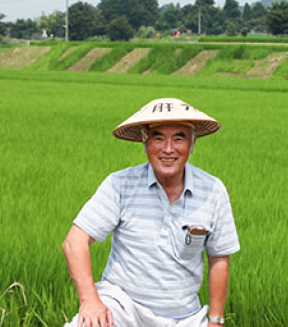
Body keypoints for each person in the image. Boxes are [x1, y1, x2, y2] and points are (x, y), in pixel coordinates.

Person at [62, 98, 240, 327]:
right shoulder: (121, 184)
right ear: (145, 143)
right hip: (122, 306)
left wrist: (215, 321)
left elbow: (219, 258)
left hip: (184, 316)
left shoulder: (213, 191)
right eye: (158, 138)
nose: (168, 149)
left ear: (192, 145)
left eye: (179, 138)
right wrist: (90, 301)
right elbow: (74, 242)